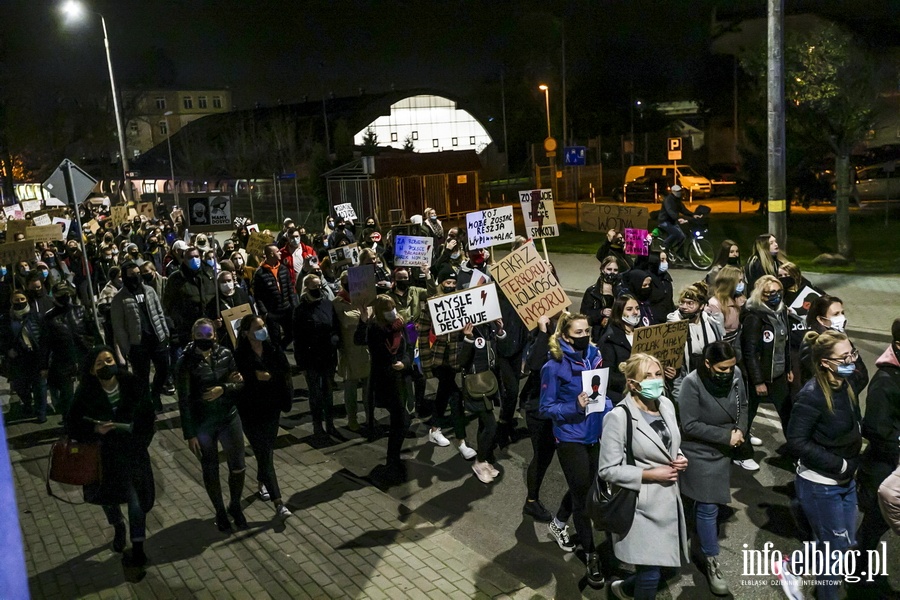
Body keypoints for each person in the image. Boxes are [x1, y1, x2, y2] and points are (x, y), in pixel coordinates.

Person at [599, 353, 689, 600]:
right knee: (650, 573)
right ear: (632, 384)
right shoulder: (618, 417)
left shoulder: (666, 404)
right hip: (641, 505)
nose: (655, 380)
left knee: (657, 569)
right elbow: (607, 470)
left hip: (668, 499)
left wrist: (679, 456)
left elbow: (670, 442)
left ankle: (624, 589)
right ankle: (628, 590)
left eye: (658, 374)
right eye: (647, 376)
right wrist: (650, 474)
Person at [786, 330, 866, 600]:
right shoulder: (812, 395)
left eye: (852, 354)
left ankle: (792, 565)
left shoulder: (847, 383)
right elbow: (796, 442)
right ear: (824, 362)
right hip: (821, 485)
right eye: (844, 357)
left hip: (845, 481)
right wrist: (841, 465)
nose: (851, 361)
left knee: (843, 543)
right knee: (833, 551)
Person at [65, 346, 156, 567]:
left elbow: (148, 417)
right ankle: (117, 526)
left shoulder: (133, 384)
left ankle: (138, 547)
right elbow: (73, 425)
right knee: (108, 498)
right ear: (92, 371)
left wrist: (140, 440)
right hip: (103, 457)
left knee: (136, 502)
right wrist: (95, 430)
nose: (106, 365)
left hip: (133, 453)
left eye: (109, 360)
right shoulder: (85, 394)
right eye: (100, 364)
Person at [540, 312, 610, 589]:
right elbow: (546, 408)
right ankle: (591, 555)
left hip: (594, 433)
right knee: (583, 497)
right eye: (578, 333)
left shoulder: (594, 356)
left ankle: (558, 522)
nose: (584, 337)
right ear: (565, 336)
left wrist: (613, 413)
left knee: (584, 484)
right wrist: (575, 406)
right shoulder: (553, 366)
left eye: (587, 332)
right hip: (569, 437)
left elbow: (601, 397)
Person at [678, 341, 748, 596]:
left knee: (698, 503)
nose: (728, 373)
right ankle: (711, 559)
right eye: (722, 368)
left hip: (725, 446)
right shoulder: (692, 384)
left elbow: (743, 405)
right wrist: (725, 436)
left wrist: (740, 429)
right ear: (708, 364)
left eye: (731, 367)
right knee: (708, 506)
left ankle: (688, 538)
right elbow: (690, 424)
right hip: (699, 450)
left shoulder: (736, 374)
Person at [175, 318, 247, 532]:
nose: (204, 339)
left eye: (209, 335)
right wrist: (190, 434)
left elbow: (239, 382)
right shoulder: (185, 363)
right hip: (203, 422)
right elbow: (184, 400)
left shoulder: (225, 354)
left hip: (228, 417)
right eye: (200, 335)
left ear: (215, 335)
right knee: (210, 468)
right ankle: (220, 511)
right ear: (193, 336)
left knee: (238, 465)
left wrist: (223, 388)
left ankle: (235, 505)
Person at [233, 315, 293, 519]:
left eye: (263, 326)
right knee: (264, 452)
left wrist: (270, 377)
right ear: (246, 333)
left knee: (265, 451)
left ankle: (262, 481)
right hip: (250, 411)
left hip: (271, 408)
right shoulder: (239, 355)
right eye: (257, 328)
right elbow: (235, 382)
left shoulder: (272, 349)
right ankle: (278, 502)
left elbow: (285, 372)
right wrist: (251, 377)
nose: (262, 330)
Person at [856, 317, 900, 588]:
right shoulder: (886, 381)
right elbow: (874, 428)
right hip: (884, 469)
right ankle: (861, 578)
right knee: (873, 526)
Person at [417, 273, 476, 459]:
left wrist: (467, 334)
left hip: (454, 359)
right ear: (441, 283)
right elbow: (423, 334)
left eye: (453, 282)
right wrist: (426, 365)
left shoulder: (462, 303)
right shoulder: (432, 303)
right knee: (455, 397)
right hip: (438, 359)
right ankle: (462, 442)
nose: (451, 285)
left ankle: (434, 429)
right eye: (447, 282)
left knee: (443, 394)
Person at [355, 295, 414, 476]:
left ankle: (392, 458)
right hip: (384, 381)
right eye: (388, 309)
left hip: (400, 379)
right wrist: (363, 321)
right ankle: (392, 459)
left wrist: (404, 363)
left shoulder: (402, 324)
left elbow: (410, 347)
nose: (392, 312)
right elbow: (359, 340)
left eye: (393, 307)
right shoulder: (374, 328)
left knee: (401, 419)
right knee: (401, 419)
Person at [739, 275, 793, 469]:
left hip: (778, 375)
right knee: (748, 414)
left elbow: (784, 344)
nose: (775, 296)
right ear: (760, 294)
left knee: (787, 413)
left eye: (778, 292)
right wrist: (758, 381)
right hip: (760, 377)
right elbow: (750, 352)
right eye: (770, 293)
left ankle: (795, 451)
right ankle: (742, 453)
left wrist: (788, 368)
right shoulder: (754, 317)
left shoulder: (781, 312)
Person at [110, 262, 170, 412]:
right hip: (138, 344)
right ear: (124, 277)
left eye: (138, 273)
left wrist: (165, 332)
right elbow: (119, 327)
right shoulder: (119, 298)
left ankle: (155, 394)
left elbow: (159, 312)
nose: (136, 277)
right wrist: (127, 348)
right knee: (141, 378)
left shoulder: (149, 291)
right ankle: (147, 405)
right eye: (131, 274)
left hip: (157, 338)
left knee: (164, 370)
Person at [458, 316, 507, 483]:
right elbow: (462, 362)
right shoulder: (468, 328)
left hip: (489, 382)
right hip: (476, 385)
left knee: (483, 424)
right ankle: (479, 462)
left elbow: (496, 350)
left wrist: (500, 332)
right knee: (491, 426)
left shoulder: (489, 326)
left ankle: (483, 460)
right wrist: (468, 339)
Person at [293, 274, 341, 437]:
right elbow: (298, 338)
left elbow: (335, 327)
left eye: (320, 286)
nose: (319, 289)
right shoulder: (301, 310)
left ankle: (330, 424)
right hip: (311, 357)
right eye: (315, 287)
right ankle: (317, 426)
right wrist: (302, 364)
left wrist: (335, 340)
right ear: (307, 288)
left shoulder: (328, 304)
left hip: (328, 355)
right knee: (315, 394)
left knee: (328, 392)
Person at [520, 314, 556, 522]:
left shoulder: (566, 329)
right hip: (539, 406)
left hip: (562, 407)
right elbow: (533, 363)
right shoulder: (536, 333)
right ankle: (531, 501)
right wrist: (542, 333)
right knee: (542, 456)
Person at [40, 282, 95, 420]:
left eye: (67, 294)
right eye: (61, 295)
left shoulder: (80, 310)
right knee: (67, 397)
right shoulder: (49, 318)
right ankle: (69, 424)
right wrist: (44, 366)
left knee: (87, 393)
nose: (65, 297)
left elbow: (93, 332)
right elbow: (44, 344)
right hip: (63, 361)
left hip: (83, 357)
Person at [666, 284, 725, 401]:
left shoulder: (711, 323)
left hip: (709, 380)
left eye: (690, 303)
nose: (684, 307)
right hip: (683, 381)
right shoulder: (673, 326)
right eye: (682, 302)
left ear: (702, 306)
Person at [799, 294, 868, 387]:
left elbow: (862, 374)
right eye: (836, 314)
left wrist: (848, 389)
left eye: (842, 313)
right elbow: (813, 379)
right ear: (821, 319)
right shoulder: (813, 345)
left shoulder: (842, 338)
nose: (842, 318)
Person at [0, 291, 47, 422]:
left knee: (40, 386)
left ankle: (41, 413)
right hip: (18, 358)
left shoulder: (35, 316)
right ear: (11, 302)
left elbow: (44, 336)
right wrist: (7, 350)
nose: (20, 302)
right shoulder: (6, 319)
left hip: (35, 356)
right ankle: (26, 403)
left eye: (22, 299)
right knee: (20, 385)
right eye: (17, 300)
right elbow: (2, 339)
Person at [333, 272, 370, 431]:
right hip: (349, 349)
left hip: (366, 349)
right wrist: (362, 318)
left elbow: (372, 315)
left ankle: (370, 417)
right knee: (351, 389)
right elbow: (347, 321)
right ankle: (352, 419)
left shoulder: (365, 298)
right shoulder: (337, 302)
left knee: (369, 388)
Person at [164, 246, 217, 352]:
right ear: (184, 259)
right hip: (187, 329)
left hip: (210, 326)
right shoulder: (176, 279)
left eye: (196, 256)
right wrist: (180, 323)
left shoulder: (210, 274)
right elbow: (169, 304)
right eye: (190, 257)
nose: (194, 259)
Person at [599, 294, 642, 403]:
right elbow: (608, 376)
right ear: (619, 312)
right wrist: (633, 382)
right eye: (629, 309)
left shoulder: (644, 334)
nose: (635, 312)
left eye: (637, 308)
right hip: (623, 397)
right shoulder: (610, 339)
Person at [253, 244, 296, 349]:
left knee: (291, 334)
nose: (280, 253)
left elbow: (290, 289)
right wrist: (264, 313)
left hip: (286, 309)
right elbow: (258, 296)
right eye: (278, 251)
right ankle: (278, 356)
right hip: (272, 312)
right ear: (271, 254)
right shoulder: (260, 273)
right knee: (275, 338)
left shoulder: (283, 269)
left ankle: (280, 348)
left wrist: (294, 305)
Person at [705, 265, 746, 359]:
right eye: (739, 281)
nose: (742, 284)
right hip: (723, 349)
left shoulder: (741, 299)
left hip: (739, 345)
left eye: (742, 280)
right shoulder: (714, 304)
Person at [581, 256, 622, 343]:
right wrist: (601, 312)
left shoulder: (622, 289)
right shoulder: (592, 291)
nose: (612, 272)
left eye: (615, 270)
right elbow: (585, 316)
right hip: (600, 334)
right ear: (602, 269)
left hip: (619, 332)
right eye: (609, 269)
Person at [657, 184, 695, 261]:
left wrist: (693, 215)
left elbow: (683, 210)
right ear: (673, 192)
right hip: (664, 221)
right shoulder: (668, 200)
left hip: (672, 221)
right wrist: (678, 218)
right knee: (675, 233)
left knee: (682, 237)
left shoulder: (677, 200)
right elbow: (670, 211)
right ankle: (664, 245)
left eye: (680, 191)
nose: (679, 193)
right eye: (678, 191)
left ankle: (680, 254)